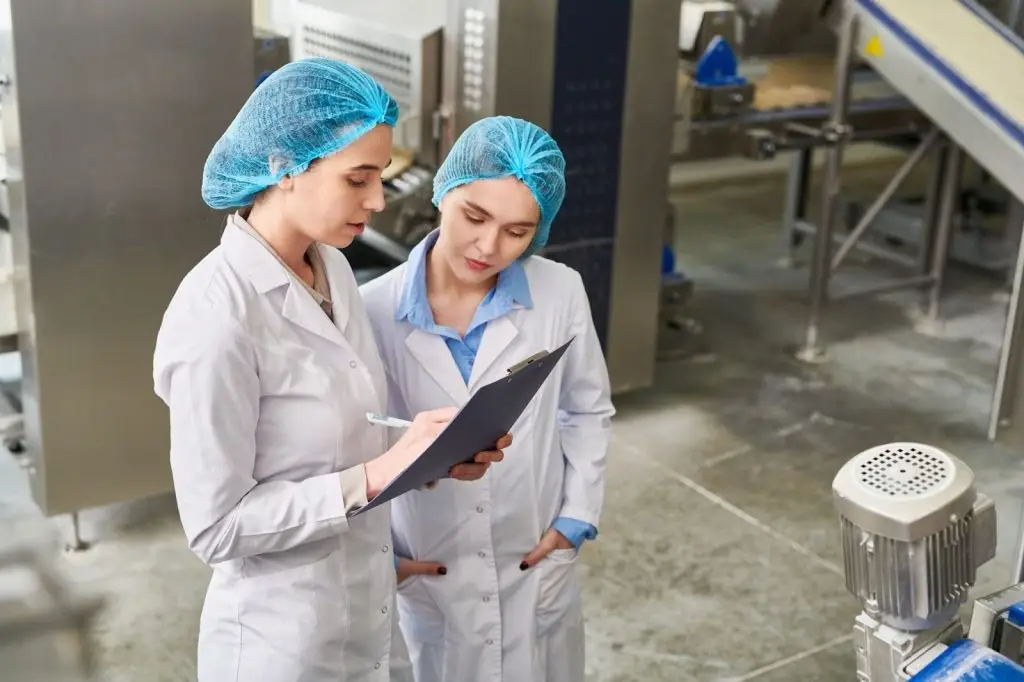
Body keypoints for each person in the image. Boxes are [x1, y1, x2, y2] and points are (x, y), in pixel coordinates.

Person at [151, 58, 509, 682]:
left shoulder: (332, 267)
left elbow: (341, 436)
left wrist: (425, 456)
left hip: (365, 618)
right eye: (358, 179)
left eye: (382, 177)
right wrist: (375, 477)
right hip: (279, 646)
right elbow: (216, 528)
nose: (377, 200)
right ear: (283, 167)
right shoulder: (215, 316)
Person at [360, 116, 615, 682]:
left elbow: (587, 408)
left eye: (518, 231)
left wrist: (575, 519)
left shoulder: (560, 290)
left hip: (534, 557)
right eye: (474, 216)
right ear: (443, 192)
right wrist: (381, 559)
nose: (489, 246)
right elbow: (354, 447)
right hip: (430, 563)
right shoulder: (369, 311)